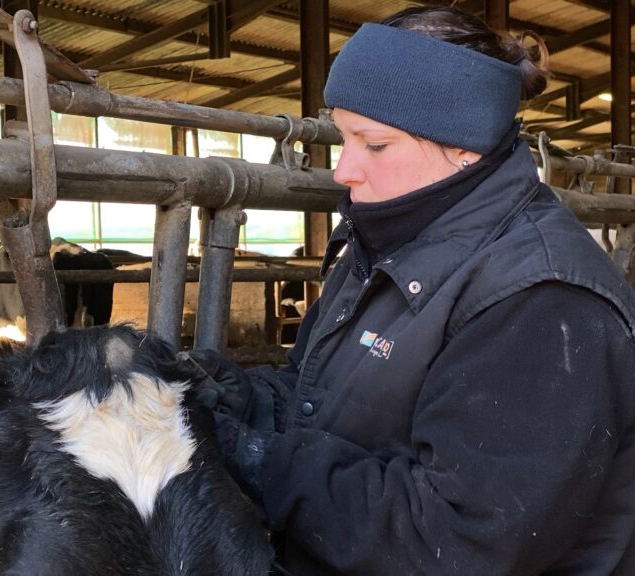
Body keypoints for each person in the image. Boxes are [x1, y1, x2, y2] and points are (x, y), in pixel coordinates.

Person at [187, 6, 635, 575]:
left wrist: (257, 462)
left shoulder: (542, 304)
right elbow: (316, 401)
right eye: (341, 137)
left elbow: (457, 541)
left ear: (463, 147)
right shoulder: (383, 245)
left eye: (373, 144)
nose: (343, 169)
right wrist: (224, 396)